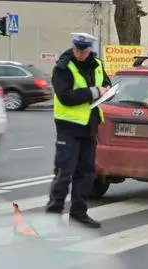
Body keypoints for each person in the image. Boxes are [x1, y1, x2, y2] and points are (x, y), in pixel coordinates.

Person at [45, 32, 111, 228]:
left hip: (90, 125)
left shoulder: (97, 63)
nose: (81, 54)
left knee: (87, 173)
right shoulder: (63, 67)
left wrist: (107, 89)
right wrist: (94, 92)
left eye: (84, 51)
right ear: (73, 48)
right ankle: (53, 214)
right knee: (64, 172)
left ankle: (79, 213)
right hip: (69, 126)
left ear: (90, 49)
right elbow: (65, 96)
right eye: (78, 50)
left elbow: (106, 82)